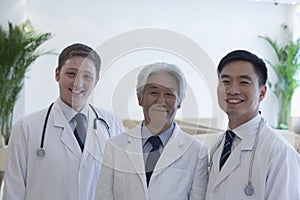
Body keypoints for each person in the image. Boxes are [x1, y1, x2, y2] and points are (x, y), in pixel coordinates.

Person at [3, 43, 123, 200]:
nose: (78, 83)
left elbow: (121, 187)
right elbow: (13, 190)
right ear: (57, 74)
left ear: (96, 81)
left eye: (87, 76)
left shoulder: (111, 125)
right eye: (71, 74)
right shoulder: (26, 128)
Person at [95, 62, 208, 200]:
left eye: (169, 94)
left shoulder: (196, 152)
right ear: (140, 98)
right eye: (153, 92)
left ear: (179, 102)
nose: (161, 101)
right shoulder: (115, 146)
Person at [206, 50, 300, 199]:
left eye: (243, 82)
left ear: (262, 92)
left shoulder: (279, 152)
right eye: (225, 82)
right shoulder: (219, 145)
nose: (232, 90)